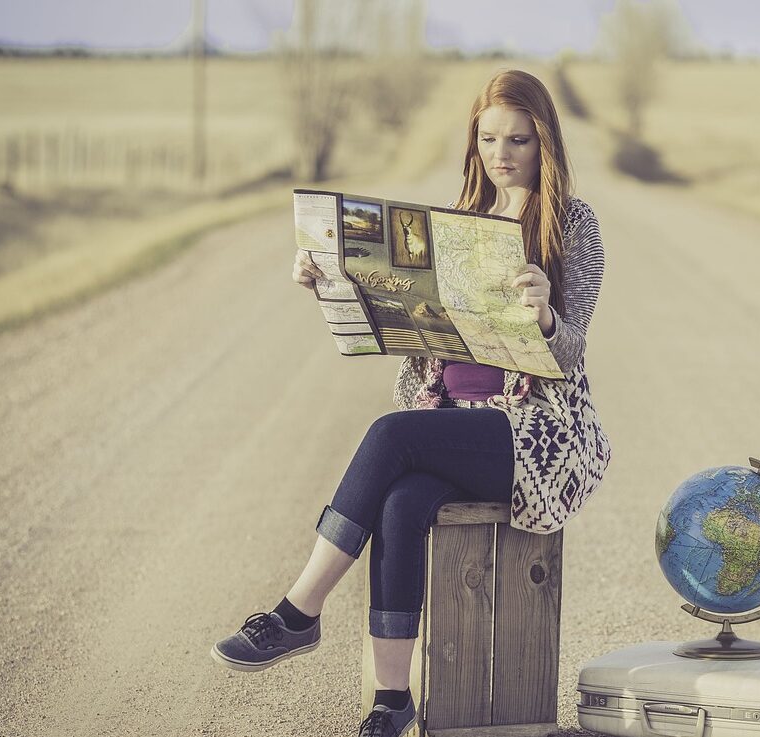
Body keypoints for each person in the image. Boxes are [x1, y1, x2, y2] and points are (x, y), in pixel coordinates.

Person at [210, 69, 611, 737]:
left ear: (545, 142)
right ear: (473, 142)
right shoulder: (458, 224)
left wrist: (545, 317)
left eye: (518, 138)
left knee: (391, 436)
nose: (501, 152)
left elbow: (571, 353)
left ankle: (299, 610)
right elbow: (405, 321)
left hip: (535, 435)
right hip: (447, 421)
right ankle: (392, 702)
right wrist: (331, 280)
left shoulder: (572, 226)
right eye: (488, 138)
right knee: (400, 503)